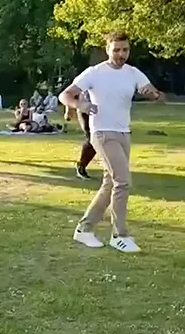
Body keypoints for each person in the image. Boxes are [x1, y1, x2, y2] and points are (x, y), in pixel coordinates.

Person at [59, 31, 164, 253]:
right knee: (123, 181)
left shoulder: (133, 73)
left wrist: (151, 93)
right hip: (102, 133)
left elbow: (157, 95)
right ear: (107, 49)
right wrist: (82, 106)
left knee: (111, 182)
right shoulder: (94, 73)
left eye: (125, 50)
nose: (121, 54)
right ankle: (119, 235)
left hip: (124, 133)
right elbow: (65, 95)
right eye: (116, 49)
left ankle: (84, 229)